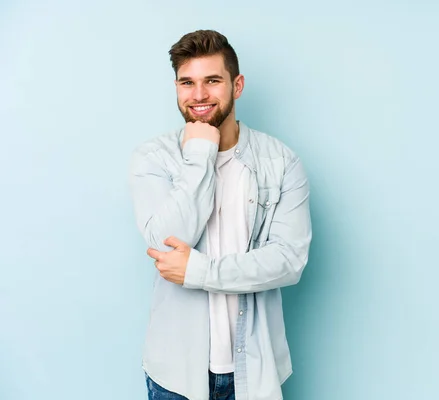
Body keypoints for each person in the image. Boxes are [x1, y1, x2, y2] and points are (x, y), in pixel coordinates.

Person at [128, 29, 312, 400]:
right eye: (187, 83)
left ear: (237, 85)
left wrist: (198, 271)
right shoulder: (153, 159)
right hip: (175, 374)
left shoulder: (280, 161)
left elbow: (289, 260)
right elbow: (165, 241)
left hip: (257, 372)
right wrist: (200, 154)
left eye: (212, 81)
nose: (198, 95)